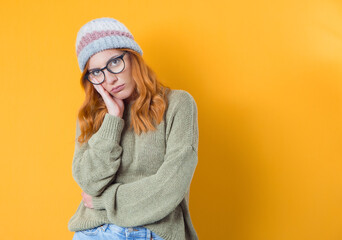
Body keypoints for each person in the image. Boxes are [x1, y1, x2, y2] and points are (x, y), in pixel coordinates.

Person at [67, 17, 199, 240]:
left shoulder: (178, 104)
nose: (109, 78)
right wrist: (113, 119)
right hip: (95, 232)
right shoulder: (91, 117)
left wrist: (102, 201)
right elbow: (88, 182)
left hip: (153, 232)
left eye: (115, 62)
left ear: (133, 57)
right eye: (97, 72)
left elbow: (171, 186)